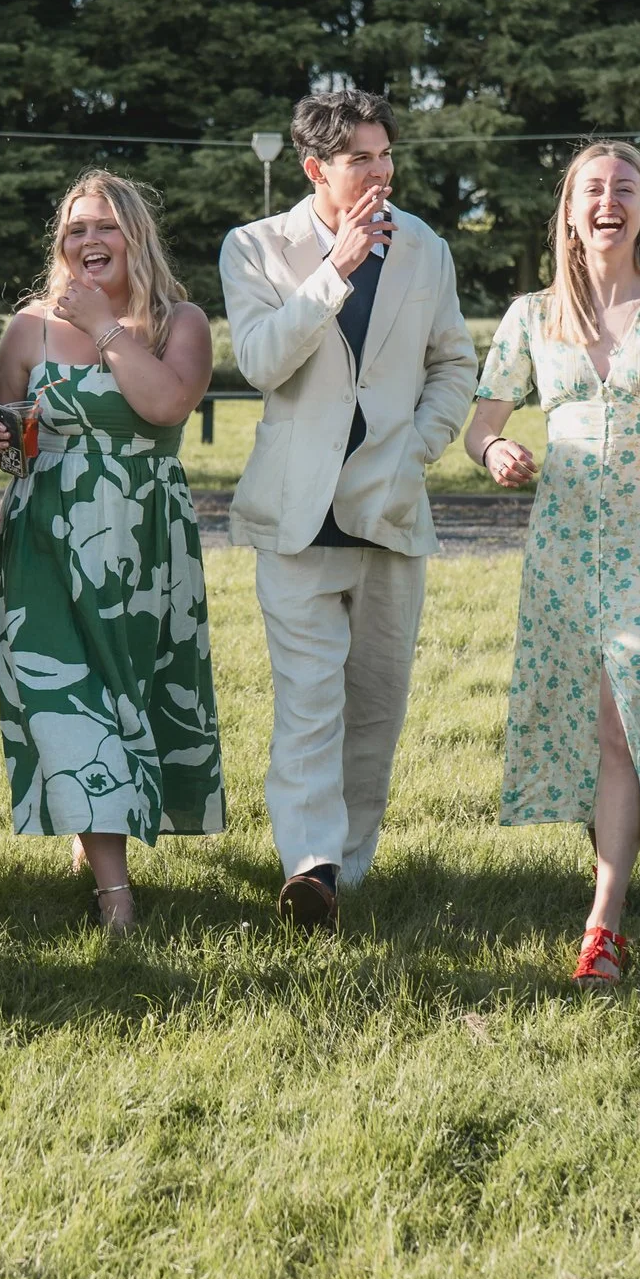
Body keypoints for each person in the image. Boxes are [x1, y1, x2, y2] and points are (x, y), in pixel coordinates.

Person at [465, 142, 640, 987]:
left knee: (624, 713)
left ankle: (604, 924)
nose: (609, 201)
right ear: (571, 210)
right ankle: (610, 863)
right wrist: (496, 453)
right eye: (593, 189)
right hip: (561, 537)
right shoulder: (533, 314)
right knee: (589, 725)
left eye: (626, 189)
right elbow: (482, 424)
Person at [218, 90, 477, 930]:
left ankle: (348, 871)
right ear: (314, 168)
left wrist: (417, 448)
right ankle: (311, 867)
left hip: (390, 509)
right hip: (294, 515)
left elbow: (453, 364)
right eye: (360, 157)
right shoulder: (257, 247)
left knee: (374, 707)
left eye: (386, 154)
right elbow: (260, 361)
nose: (381, 171)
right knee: (306, 702)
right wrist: (336, 269)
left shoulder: (427, 248)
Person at [0, 171, 224, 934]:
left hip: (144, 545)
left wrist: (106, 327)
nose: (89, 241)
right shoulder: (26, 329)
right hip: (45, 543)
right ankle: (115, 897)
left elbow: (164, 405)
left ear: (136, 236)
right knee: (66, 699)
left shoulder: (178, 321)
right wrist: (5, 443)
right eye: (76, 229)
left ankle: (101, 839)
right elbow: (10, 442)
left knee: (135, 697)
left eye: (105, 227)